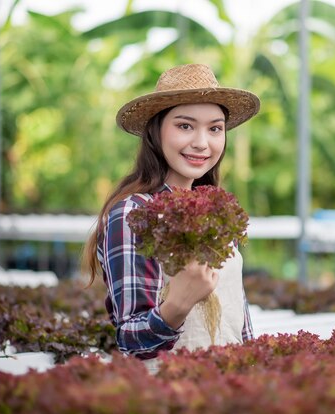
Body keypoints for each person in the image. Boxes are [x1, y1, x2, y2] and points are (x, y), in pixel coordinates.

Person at [82, 63, 260, 372]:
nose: (202, 143)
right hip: (170, 396)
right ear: (156, 131)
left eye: (215, 128)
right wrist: (176, 306)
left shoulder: (217, 214)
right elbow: (130, 342)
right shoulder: (132, 213)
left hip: (230, 393)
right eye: (185, 126)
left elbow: (240, 327)